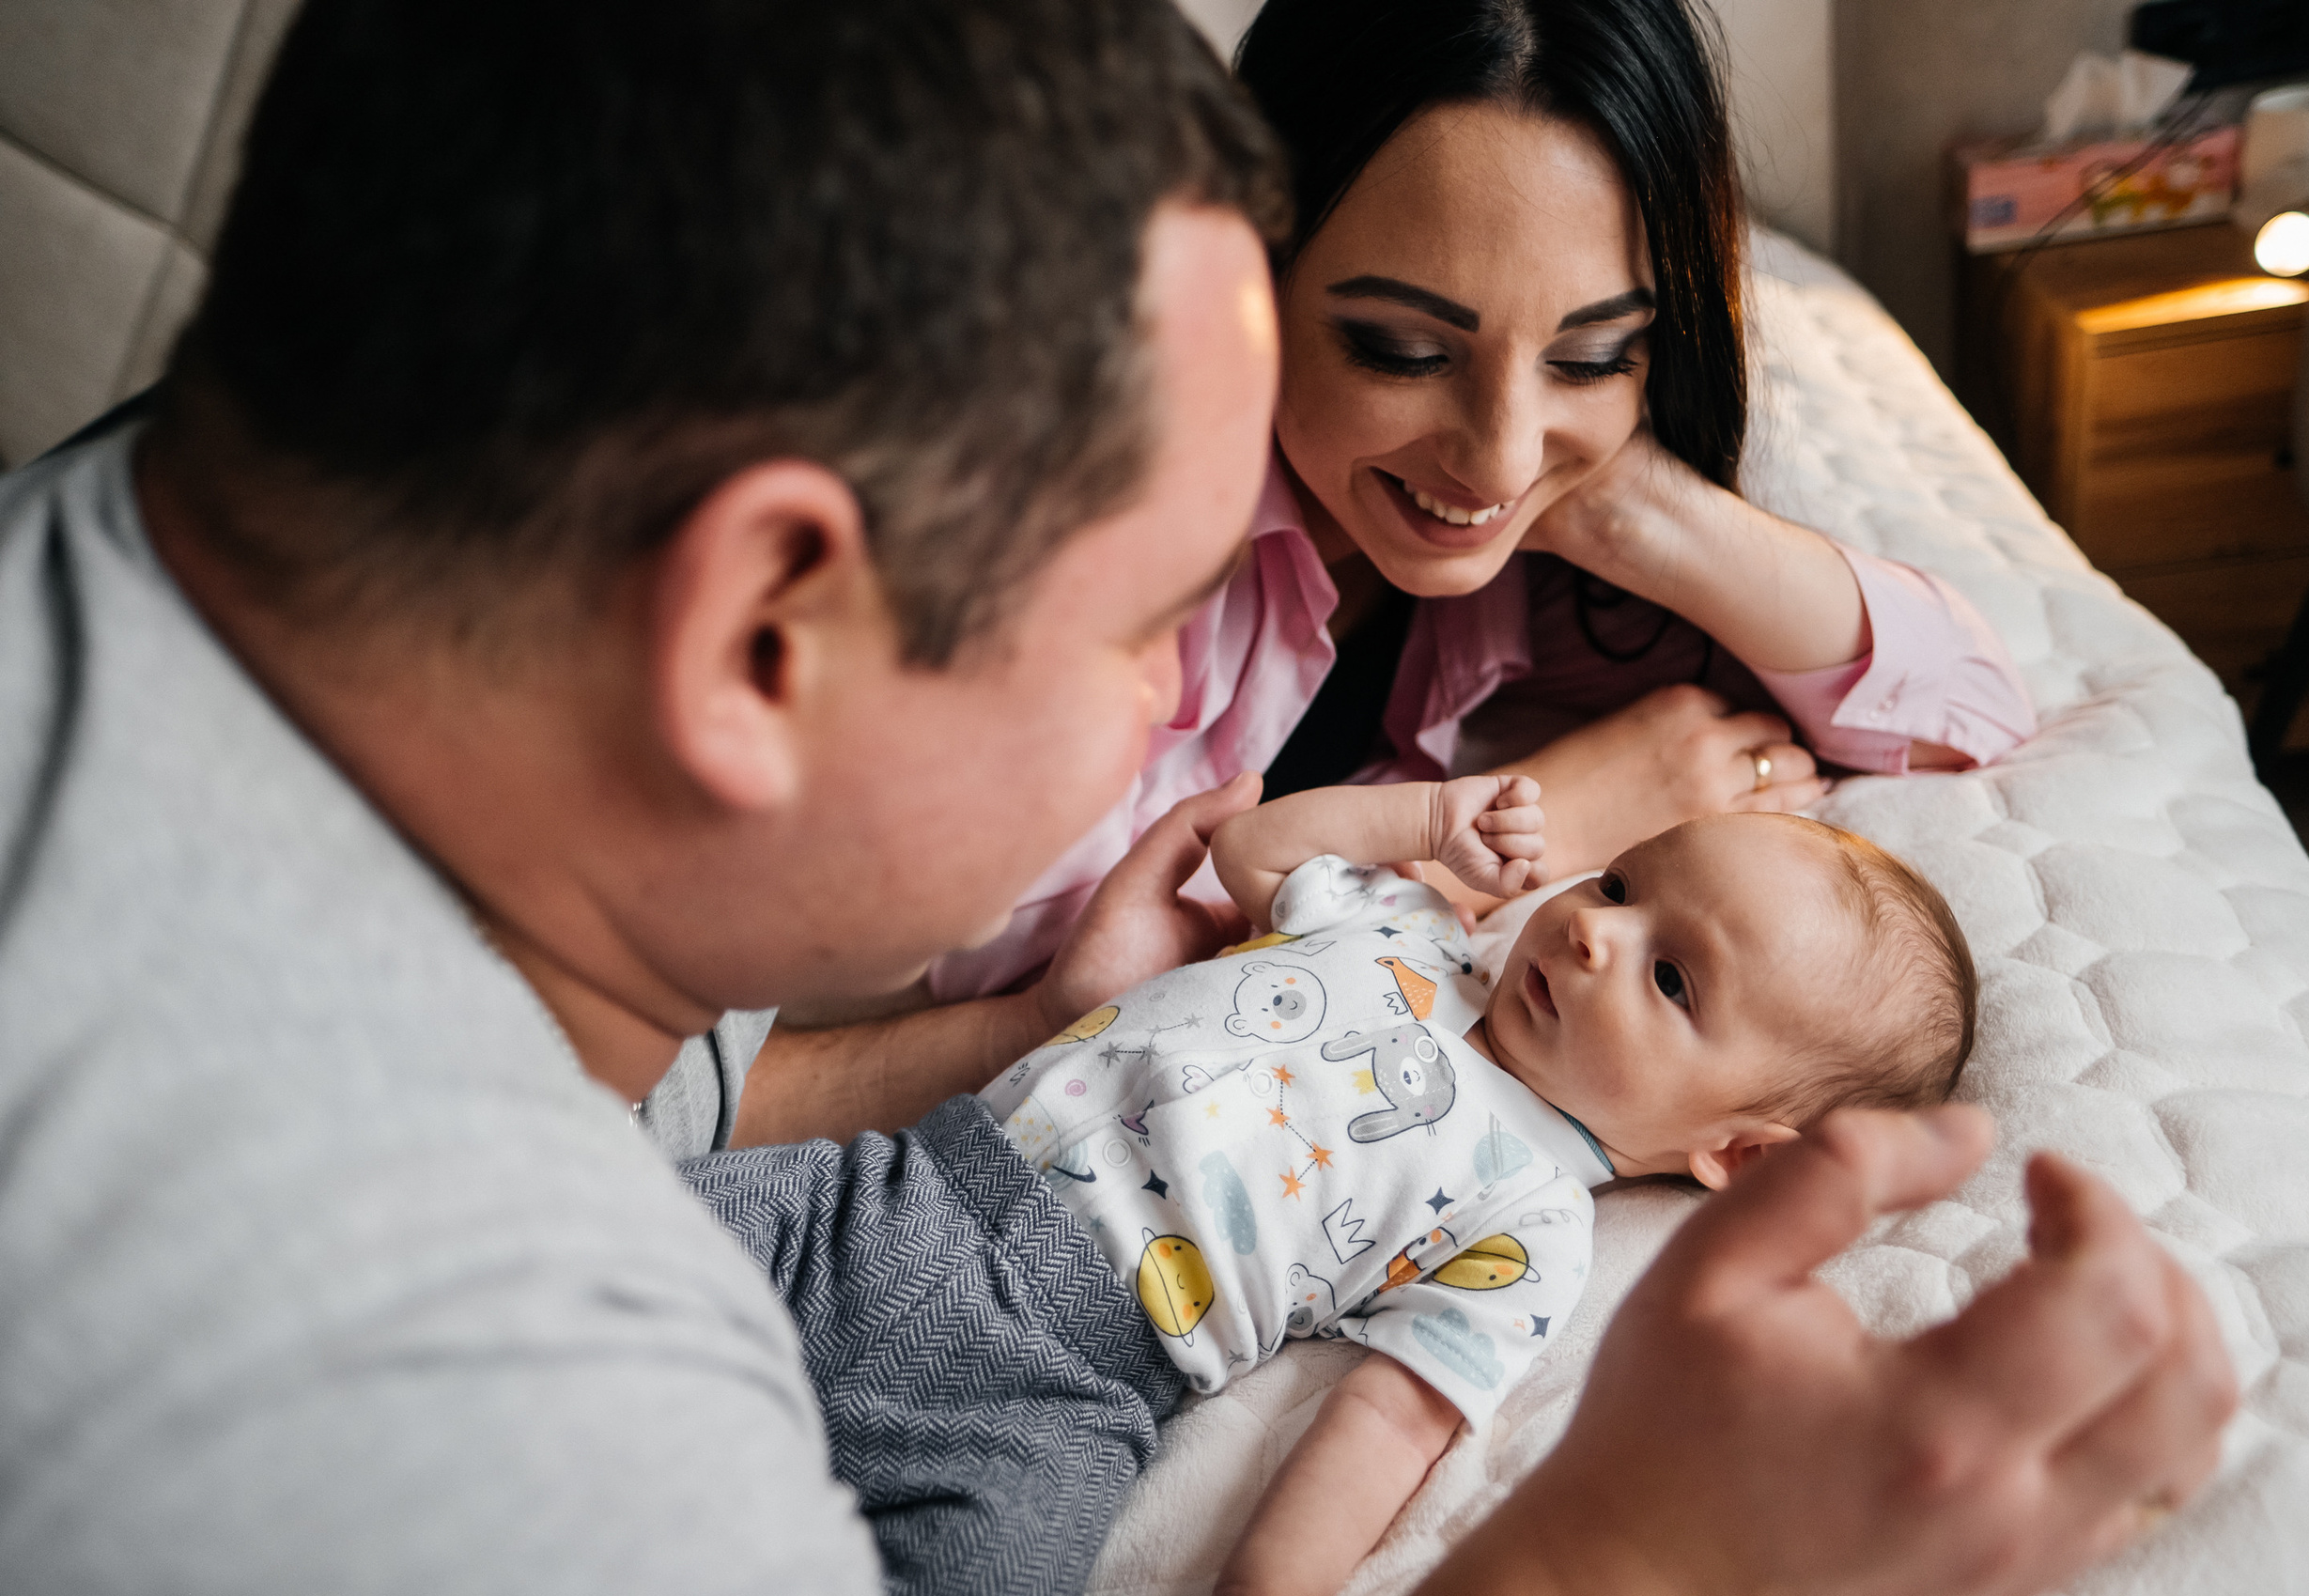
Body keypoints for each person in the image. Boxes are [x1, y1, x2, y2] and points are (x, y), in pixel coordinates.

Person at [0, 1, 2232, 1596]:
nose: (1219, 733)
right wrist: (1622, 1557)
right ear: (756, 632)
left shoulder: (115, 542)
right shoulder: (527, 1407)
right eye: (1159, 610)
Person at [732, 0, 2039, 1152]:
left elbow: (1966, 708)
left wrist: (1628, 505)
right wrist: (1534, 829)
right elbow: (647, 1088)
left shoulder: (1545, 546)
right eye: (1404, 348)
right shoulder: (1070, 568)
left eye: (1590, 354)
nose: (1496, 455)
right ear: (1255, 270)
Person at [688, 779, 1977, 1596]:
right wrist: (1425, 825)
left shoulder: (1531, 1228)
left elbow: (1387, 1425)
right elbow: (1251, 847)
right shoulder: (1407, 929)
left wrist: (1271, 1590)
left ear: (1737, 1157)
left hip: (1065, 1394)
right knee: (577, 1240)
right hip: (891, 1194)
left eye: (1674, 979)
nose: (1594, 928)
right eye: (1626, 882)